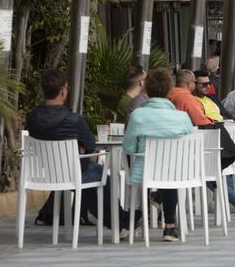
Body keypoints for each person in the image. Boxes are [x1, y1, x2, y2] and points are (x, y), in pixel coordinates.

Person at [26, 70, 137, 238]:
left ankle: (123, 222)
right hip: (74, 172)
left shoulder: (31, 118)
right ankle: (121, 222)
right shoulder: (73, 119)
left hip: (43, 174)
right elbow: (91, 145)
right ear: (63, 90)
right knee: (102, 176)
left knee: (90, 183)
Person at [122, 68, 195, 242]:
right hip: (175, 172)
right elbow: (189, 145)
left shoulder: (138, 115)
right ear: (170, 90)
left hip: (145, 172)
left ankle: (139, 215)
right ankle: (170, 226)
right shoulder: (182, 117)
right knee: (170, 173)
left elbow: (129, 147)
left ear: (146, 89)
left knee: (156, 171)